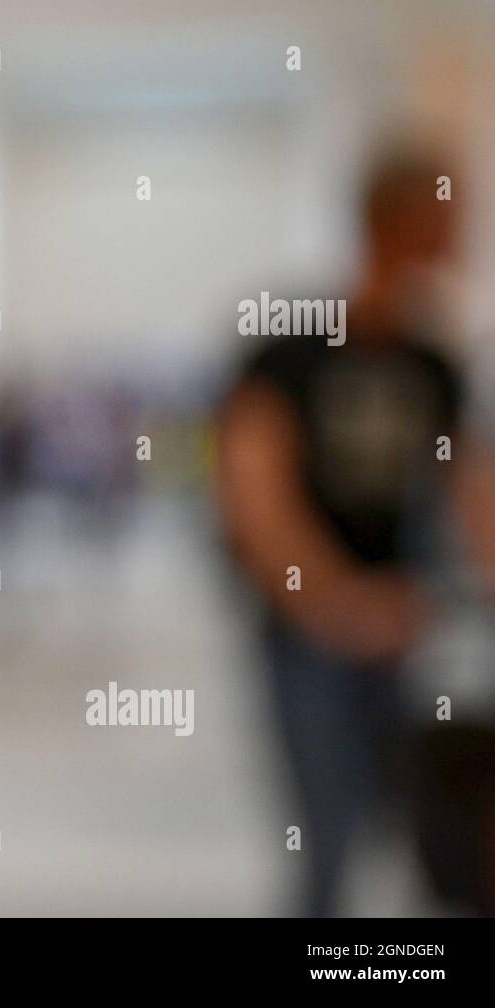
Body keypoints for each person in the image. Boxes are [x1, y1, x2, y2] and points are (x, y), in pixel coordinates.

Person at [216, 148, 495, 915]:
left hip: (402, 623)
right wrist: (334, 602)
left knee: (417, 827)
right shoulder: (290, 348)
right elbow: (255, 495)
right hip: (308, 630)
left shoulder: (433, 362)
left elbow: (468, 491)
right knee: (325, 834)